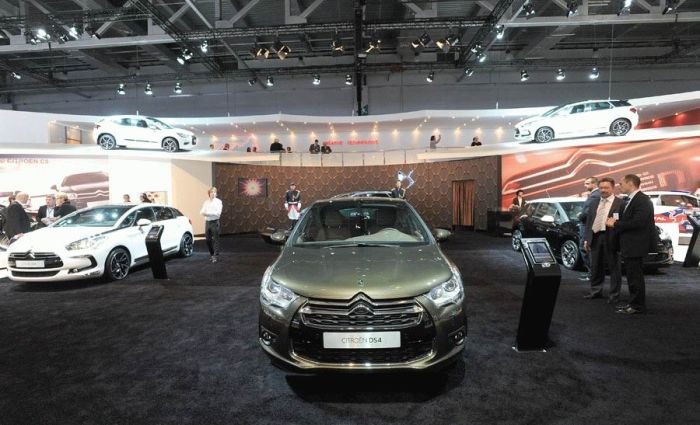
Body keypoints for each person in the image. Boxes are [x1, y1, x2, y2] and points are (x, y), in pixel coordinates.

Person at [606, 174, 656, 315]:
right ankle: (633, 303)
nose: (619, 186)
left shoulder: (642, 200)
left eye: (621, 183)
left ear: (631, 184)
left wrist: (615, 223)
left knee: (635, 277)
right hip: (630, 244)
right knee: (632, 276)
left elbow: (638, 222)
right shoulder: (631, 199)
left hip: (636, 245)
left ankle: (637, 306)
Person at [583, 177, 623, 303]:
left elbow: (622, 223)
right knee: (595, 266)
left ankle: (614, 295)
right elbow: (589, 222)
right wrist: (587, 239)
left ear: (613, 188)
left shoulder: (620, 203)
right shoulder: (594, 202)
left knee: (614, 267)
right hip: (595, 237)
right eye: (601, 188)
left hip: (611, 238)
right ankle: (595, 291)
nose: (603, 190)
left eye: (606, 187)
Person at [577, 177, 600, 281]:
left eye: (587, 183)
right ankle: (592, 273)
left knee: (585, 250)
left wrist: (580, 216)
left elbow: (588, 213)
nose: (585, 185)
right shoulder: (595, 195)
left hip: (587, 226)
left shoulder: (595, 196)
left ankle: (592, 274)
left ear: (594, 184)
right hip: (589, 226)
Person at [200, 187, 223, 263]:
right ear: (209, 194)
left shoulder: (218, 202)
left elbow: (218, 213)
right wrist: (206, 214)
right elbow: (201, 211)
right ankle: (212, 255)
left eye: (214, 192)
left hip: (215, 222)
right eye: (211, 192)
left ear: (216, 194)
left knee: (216, 239)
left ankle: (215, 256)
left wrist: (207, 214)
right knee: (208, 240)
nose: (213, 194)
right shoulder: (206, 202)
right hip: (207, 222)